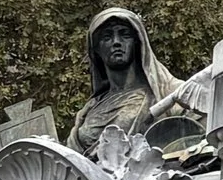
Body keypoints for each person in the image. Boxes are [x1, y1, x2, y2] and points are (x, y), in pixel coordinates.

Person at [69, 9, 185, 159]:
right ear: (96, 48)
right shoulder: (88, 111)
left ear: (137, 42)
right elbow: (71, 162)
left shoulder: (170, 93)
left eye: (125, 35)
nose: (116, 42)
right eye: (107, 36)